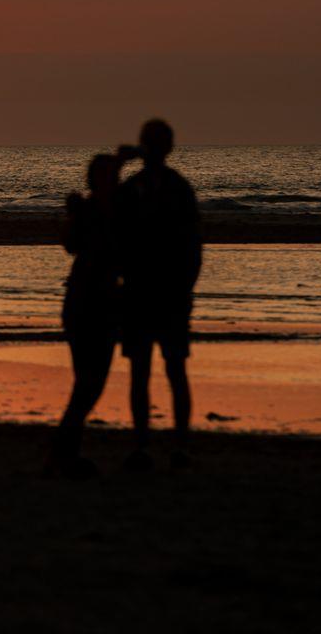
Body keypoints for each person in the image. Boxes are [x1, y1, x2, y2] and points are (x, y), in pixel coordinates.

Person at [117, 118, 202, 472]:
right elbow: (115, 229)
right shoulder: (133, 187)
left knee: (173, 370)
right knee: (142, 372)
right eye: (149, 143)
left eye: (156, 143)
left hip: (168, 295)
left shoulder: (178, 188)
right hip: (140, 293)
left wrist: (185, 289)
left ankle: (179, 445)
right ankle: (142, 445)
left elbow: (193, 245)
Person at [44, 153, 122, 479]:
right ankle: (64, 452)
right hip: (89, 304)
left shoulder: (98, 211)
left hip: (91, 303)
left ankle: (66, 451)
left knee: (88, 383)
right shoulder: (98, 213)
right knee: (89, 383)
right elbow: (73, 243)